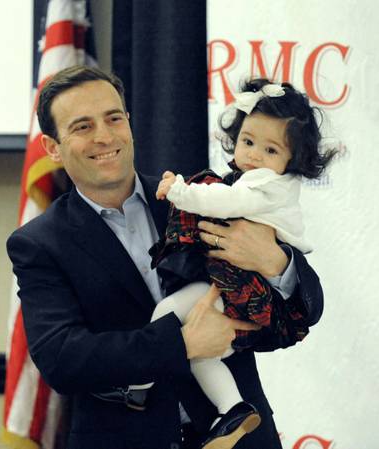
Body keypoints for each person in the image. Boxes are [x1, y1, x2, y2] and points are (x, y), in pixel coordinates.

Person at [6, 66, 324, 449]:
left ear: (129, 122)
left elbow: (306, 311)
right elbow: (64, 360)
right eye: (83, 126)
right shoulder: (38, 243)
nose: (104, 136)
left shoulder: (198, 196)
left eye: (113, 118)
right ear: (52, 147)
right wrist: (182, 344)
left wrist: (275, 262)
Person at [130, 79, 335, 448]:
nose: (255, 155)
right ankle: (234, 410)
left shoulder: (259, 187)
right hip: (143, 431)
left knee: (166, 311)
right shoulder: (250, 182)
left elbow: (223, 203)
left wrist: (178, 190)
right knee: (203, 355)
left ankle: (142, 378)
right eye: (248, 141)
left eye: (270, 149)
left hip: (242, 290)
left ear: (292, 161)